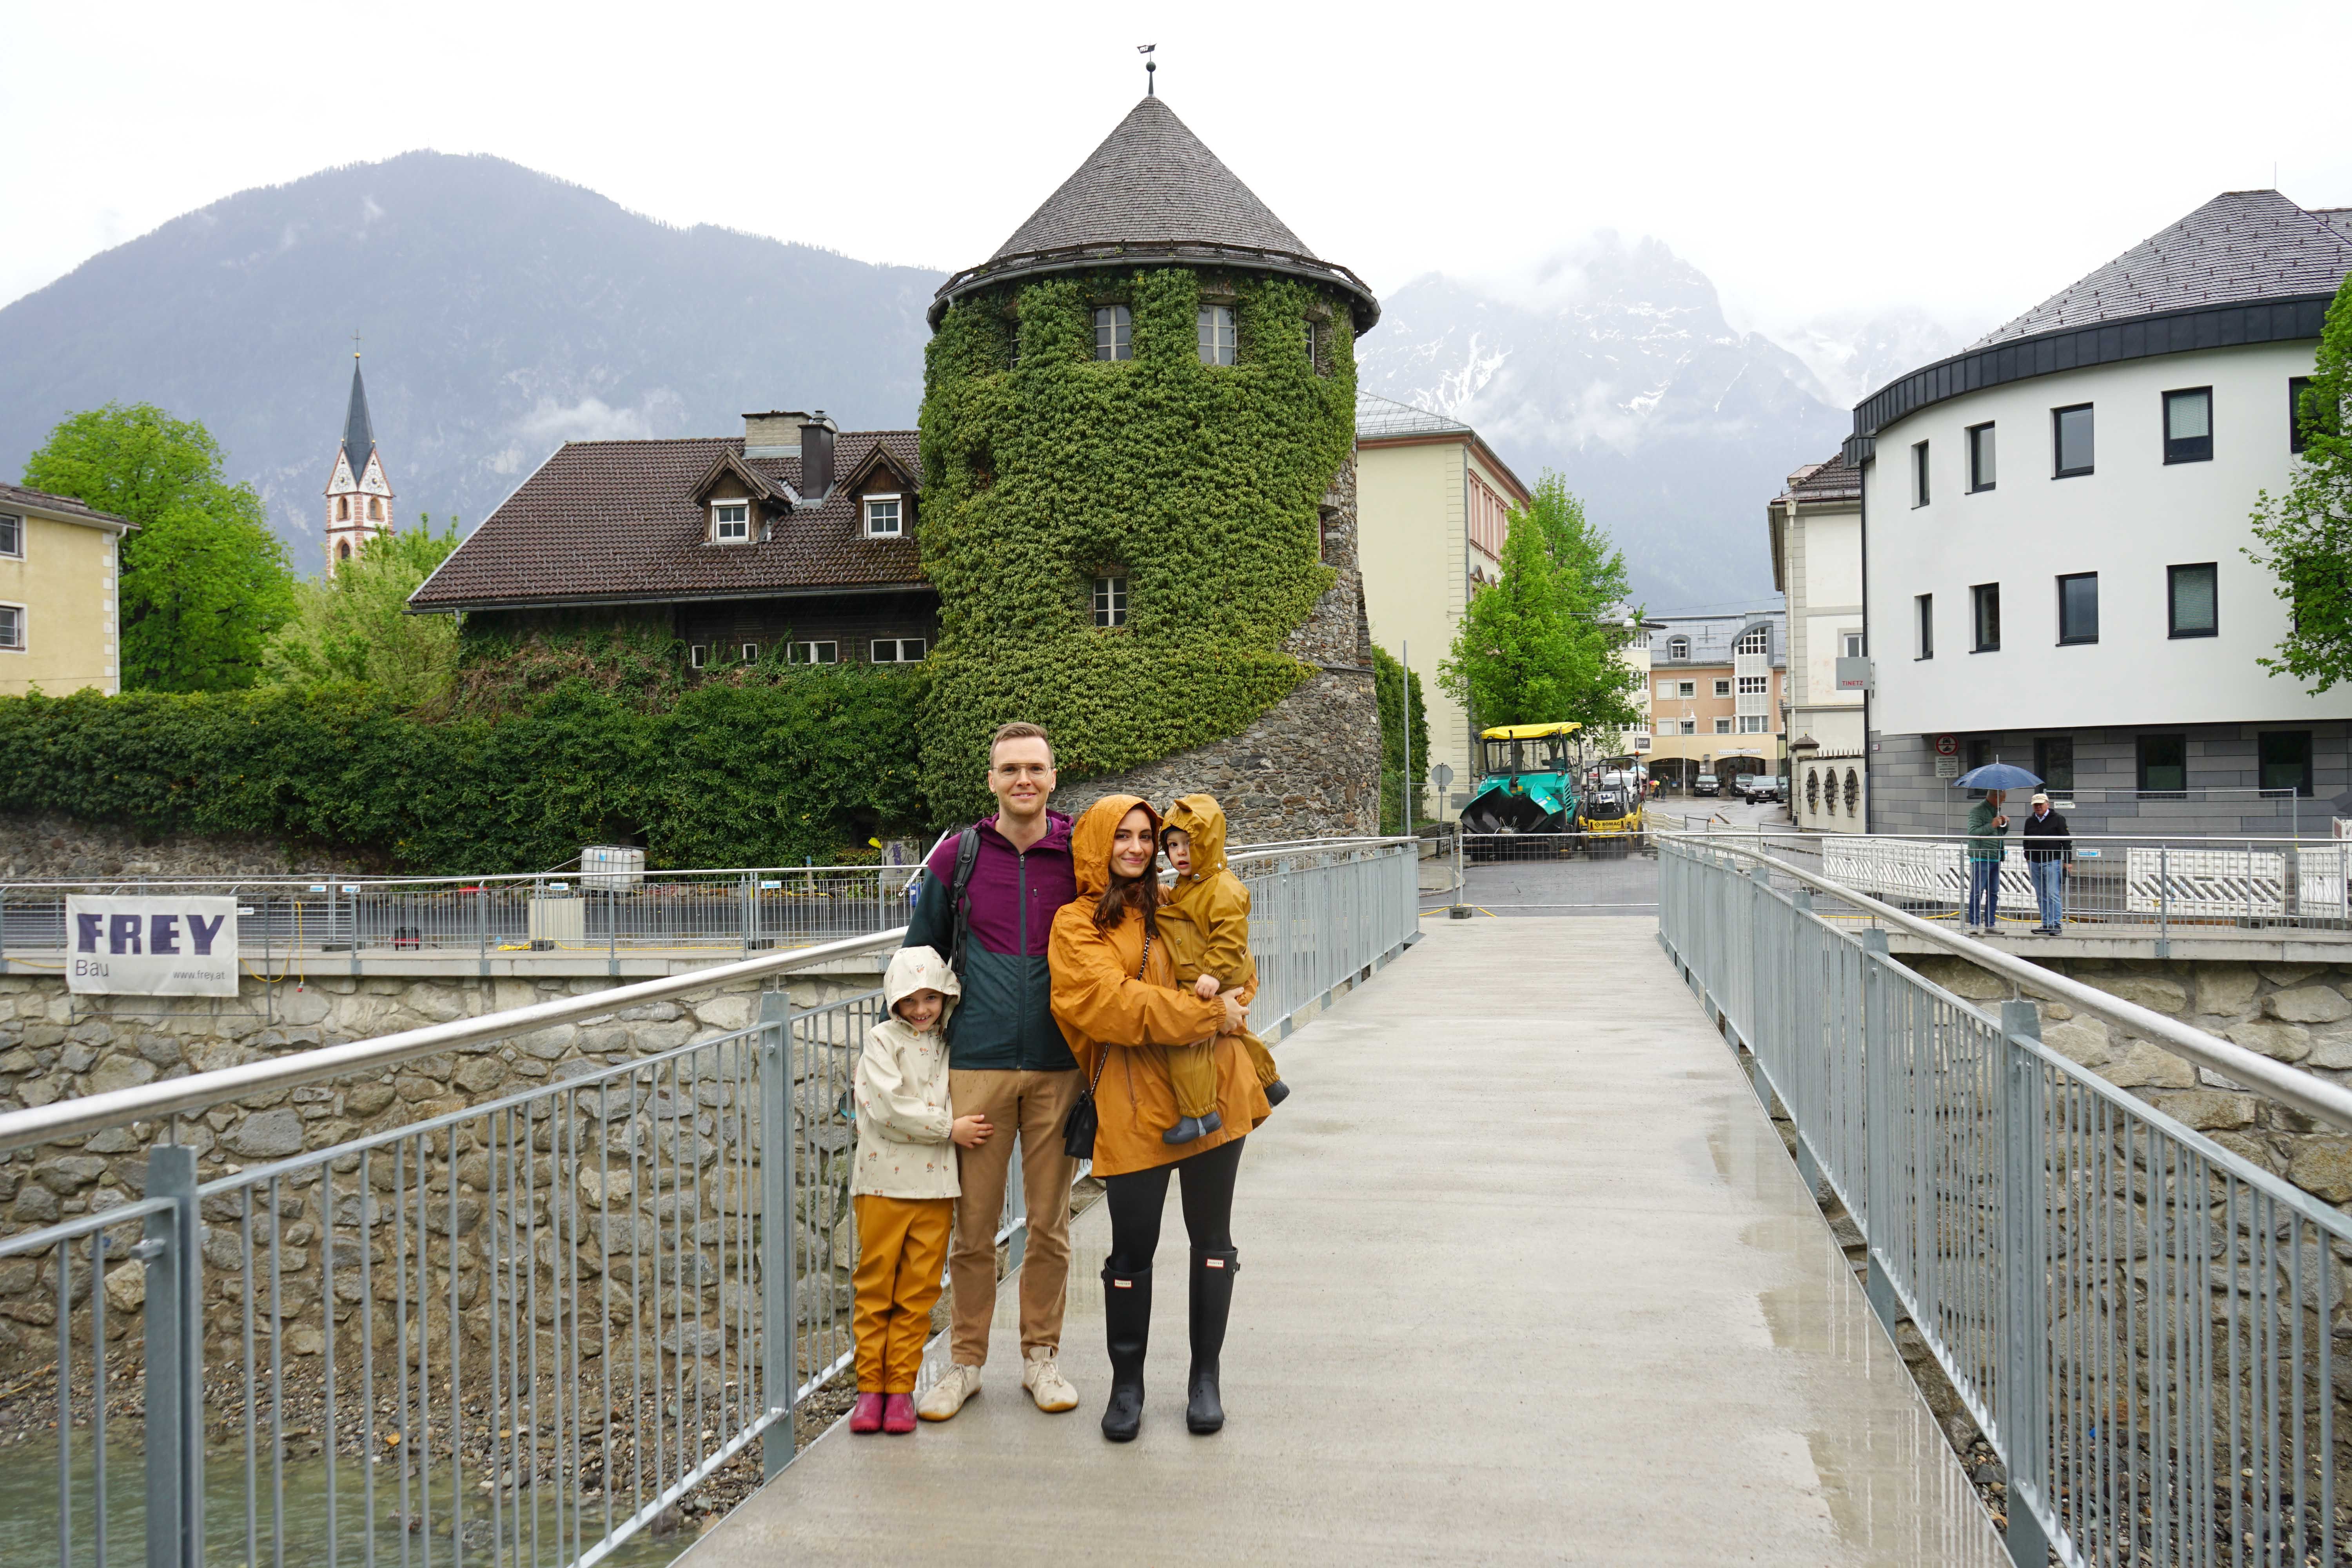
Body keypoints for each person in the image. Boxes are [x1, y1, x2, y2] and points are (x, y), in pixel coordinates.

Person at [1050, 796, 1261, 1443]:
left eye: (1146, 836)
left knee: (1212, 1240)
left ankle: (1205, 1378)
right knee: (1131, 1248)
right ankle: (1128, 1383)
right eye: (1123, 836)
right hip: (1132, 1102)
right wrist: (1206, 1014)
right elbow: (1112, 1005)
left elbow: (1239, 971)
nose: (1138, 848)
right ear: (1096, 843)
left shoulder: (1178, 903)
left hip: (1214, 1090)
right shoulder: (1075, 924)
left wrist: (1231, 996)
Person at [902, 721, 1083, 1421]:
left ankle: (1041, 1360)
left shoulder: (1079, 853)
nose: (1023, 781)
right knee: (973, 1231)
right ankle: (965, 1365)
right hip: (974, 1065)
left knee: (1050, 1225)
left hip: (1058, 1064)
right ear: (992, 780)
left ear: (1053, 776)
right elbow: (918, 957)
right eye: (1010, 769)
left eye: (1034, 768)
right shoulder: (960, 855)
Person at [847, 946, 991, 1436]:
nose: (923, 1008)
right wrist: (949, 1128)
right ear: (895, 1001)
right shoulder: (880, 1041)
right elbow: (888, 1105)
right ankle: (871, 1389)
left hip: (934, 1188)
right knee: (875, 1288)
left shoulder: (953, 1045)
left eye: (933, 997)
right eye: (911, 999)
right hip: (882, 1183)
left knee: (917, 1293)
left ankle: (900, 1388)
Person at [1156, 793, 1286, 1145]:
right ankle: (1270, 1082)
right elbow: (1190, 912)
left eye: (1189, 843)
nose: (1180, 853)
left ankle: (1200, 1115)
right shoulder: (1196, 883)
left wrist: (1213, 973)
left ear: (1209, 842)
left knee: (1191, 1041)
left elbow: (1230, 933)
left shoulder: (1221, 888)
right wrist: (1168, 897)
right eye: (1172, 845)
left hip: (1218, 976)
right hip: (1225, 973)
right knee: (1234, 1030)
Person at [2020, 791, 2073, 935]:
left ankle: (2056, 924)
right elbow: (2026, 840)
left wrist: (2067, 862)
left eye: (2040, 804)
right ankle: (2046, 923)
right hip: (2035, 862)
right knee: (2041, 894)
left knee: (2052, 893)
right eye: (2035, 805)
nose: (2038, 807)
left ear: (2047, 804)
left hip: (2052, 860)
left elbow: (2066, 841)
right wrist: (2028, 857)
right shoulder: (2030, 821)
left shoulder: (2058, 819)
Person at [1965, 788, 2009, 935]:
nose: (2004, 802)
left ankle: (1990, 924)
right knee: (1977, 891)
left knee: (1994, 892)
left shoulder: (1995, 811)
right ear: (1996, 798)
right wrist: (1992, 825)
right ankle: (1974, 924)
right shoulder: (1977, 811)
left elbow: (2000, 833)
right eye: (2003, 799)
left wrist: (2005, 824)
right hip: (1981, 857)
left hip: (1996, 857)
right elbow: (1973, 833)